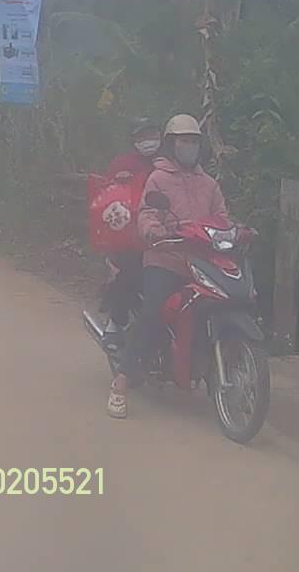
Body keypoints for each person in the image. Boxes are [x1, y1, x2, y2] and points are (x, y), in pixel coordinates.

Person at [107, 114, 229, 420]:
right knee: (153, 312)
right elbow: (147, 213)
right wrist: (154, 231)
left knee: (224, 302)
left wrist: (233, 232)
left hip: (202, 263)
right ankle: (121, 381)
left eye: (194, 141)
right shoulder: (158, 179)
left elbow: (222, 217)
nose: (189, 147)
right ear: (172, 144)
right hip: (166, 259)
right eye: (184, 141)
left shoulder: (209, 184)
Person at [98, 117, 160, 355]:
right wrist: (118, 183)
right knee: (129, 271)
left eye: (152, 134)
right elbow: (107, 197)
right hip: (130, 236)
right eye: (142, 136)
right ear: (134, 139)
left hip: (166, 233)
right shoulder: (122, 164)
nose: (148, 141)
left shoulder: (167, 163)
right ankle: (115, 323)